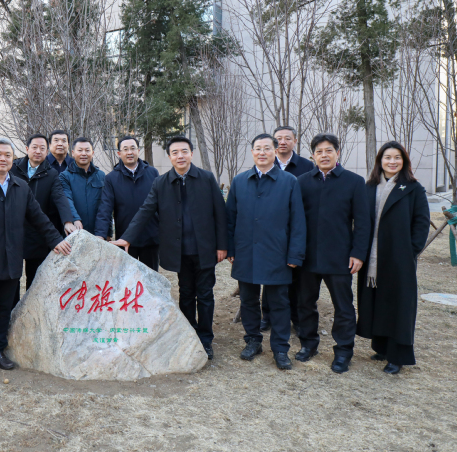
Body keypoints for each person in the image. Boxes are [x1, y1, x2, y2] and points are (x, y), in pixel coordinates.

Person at [0, 138, 72, 376]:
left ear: (13, 159)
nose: (3, 159)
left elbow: (38, 217)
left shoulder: (21, 186)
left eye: (7, 155)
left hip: (11, 259)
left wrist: (56, 240)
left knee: (4, 309)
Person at [112, 136, 227, 359]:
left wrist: (222, 245)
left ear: (191, 153)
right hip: (179, 250)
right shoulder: (161, 182)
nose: (180, 156)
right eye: (175, 152)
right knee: (185, 293)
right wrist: (127, 238)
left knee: (205, 294)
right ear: (169, 156)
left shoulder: (206, 178)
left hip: (204, 249)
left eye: (184, 151)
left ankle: (205, 338)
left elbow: (220, 213)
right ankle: (189, 334)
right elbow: (145, 211)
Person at [226, 133, 305, 370]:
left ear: (275, 151)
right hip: (246, 252)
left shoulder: (289, 181)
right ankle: (253, 341)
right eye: (258, 148)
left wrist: (294, 254)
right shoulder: (239, 181)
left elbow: (298, 221)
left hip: (277, 253)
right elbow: (230, 219)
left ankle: (280, 349)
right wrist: (231, 249)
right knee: (248, 300)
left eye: (267, 148)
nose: (262, 152)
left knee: (279, 302)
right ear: (252, 152)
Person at [295, 133, 370, 374]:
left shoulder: (354, 182)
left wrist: (358, 253)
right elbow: (294, 220)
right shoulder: (302, 182)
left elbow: (363, 222)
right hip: (307, 257)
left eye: (329, 150)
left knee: (343, 307)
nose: (324, 155)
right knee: (305, 303)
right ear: (313, 156)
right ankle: (308, 344)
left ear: (338, 152)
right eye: (319, 151)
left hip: (340, 257)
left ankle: (344, 351)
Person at [357, 141, 429, 375]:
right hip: (372, 257)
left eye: (397, 157)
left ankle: (397, 356)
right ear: (380, 161)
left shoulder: (413, 188)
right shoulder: (369, 187)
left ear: (404, 161)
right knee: (378, 301)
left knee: (399, 305)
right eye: (387, 157)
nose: (392, 161)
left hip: (399, 259)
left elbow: (421, 223)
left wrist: (410, 251)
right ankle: (381, 347)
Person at [260, 125, 315, 333]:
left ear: (295, 141)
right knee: (269, 276)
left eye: (287, 138)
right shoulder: (265, 163)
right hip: (270, 233)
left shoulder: (307, 166)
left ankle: (296, 317)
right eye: (278, 138)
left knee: (297, 279)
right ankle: (267, 315)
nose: (282, 142)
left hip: (297, 229)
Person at [10, 133, 76, 299]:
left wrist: (67, 221)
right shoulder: (13, 168)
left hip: (37, 231)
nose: (38, 151)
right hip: (13, 230)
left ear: (47, 152)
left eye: (42, 148)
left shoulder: (51, 173)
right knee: (12, 278)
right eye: (34, 147)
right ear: (27, 149)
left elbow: (60, 197)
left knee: (34, 278)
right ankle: (12, 310)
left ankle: (31, 308)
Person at [94, 136, 159, 271]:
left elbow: (161, 204)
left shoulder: (152, 173)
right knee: (127, 279)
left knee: (151, 278)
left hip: (151, 238)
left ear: (138, 151)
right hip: (125, 239)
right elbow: (105, 208)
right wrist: (100, 234)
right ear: (119, 153)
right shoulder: (111, 178)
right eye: (125, 149)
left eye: (133, 148)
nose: (130, 152)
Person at [59, 137, 107, 236]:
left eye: (87, 150)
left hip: (97, 232)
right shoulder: (65, 176)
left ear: (92, 153)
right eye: (80, 150)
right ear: (73, 153)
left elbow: (106, 204)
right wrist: (75, 219)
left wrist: (108, 231)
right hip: (74, 230)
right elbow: (67, 199)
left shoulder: (101, 175)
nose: (84, 154)